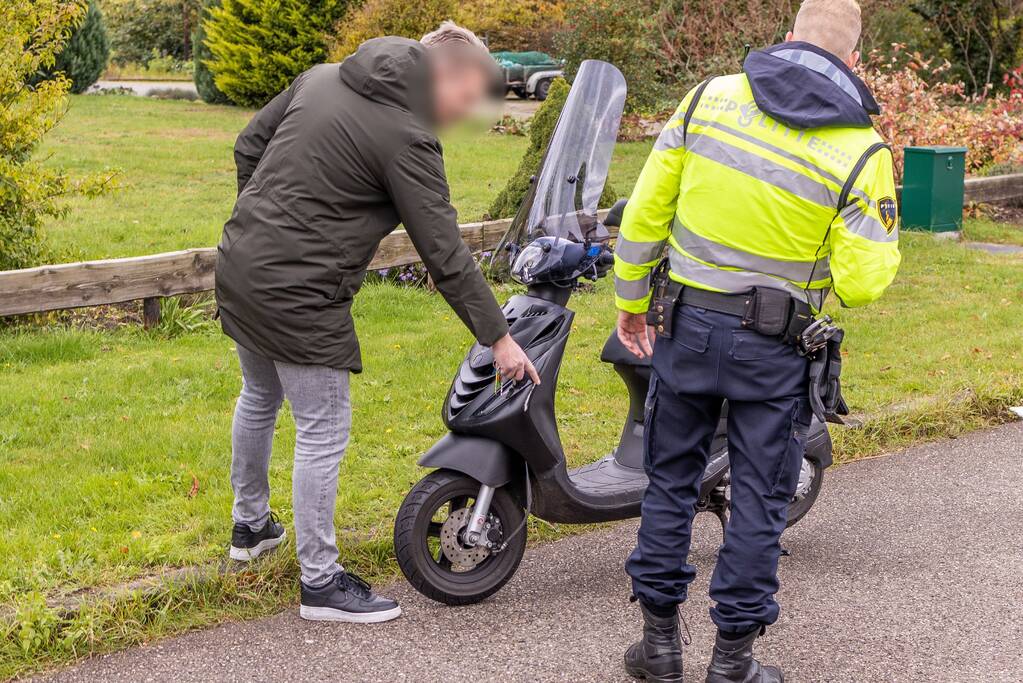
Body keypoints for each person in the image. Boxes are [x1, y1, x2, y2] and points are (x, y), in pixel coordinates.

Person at [214, 22, 539, 624]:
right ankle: (320, 582)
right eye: (466, 99)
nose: (462, 115)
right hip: (299, 292)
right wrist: (499, 337)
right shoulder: (406, 136)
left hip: (240, 264)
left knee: (259, 395)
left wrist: (260, 222)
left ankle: (251, 526)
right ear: (447, 72)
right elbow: (445, 254)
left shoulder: (323, 78)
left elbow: (247, 145)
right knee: (323, 429)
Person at [613, 0, 901, 680]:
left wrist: (630, 303)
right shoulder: (861, 149)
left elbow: (646, 209)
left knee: (669, 484)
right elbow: (862, 282)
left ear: (786, 39)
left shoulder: (707, 99)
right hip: (773, 348)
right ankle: (731, 662)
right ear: (852, 61)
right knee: (757, 499)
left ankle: (658, 649)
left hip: (681, 326)